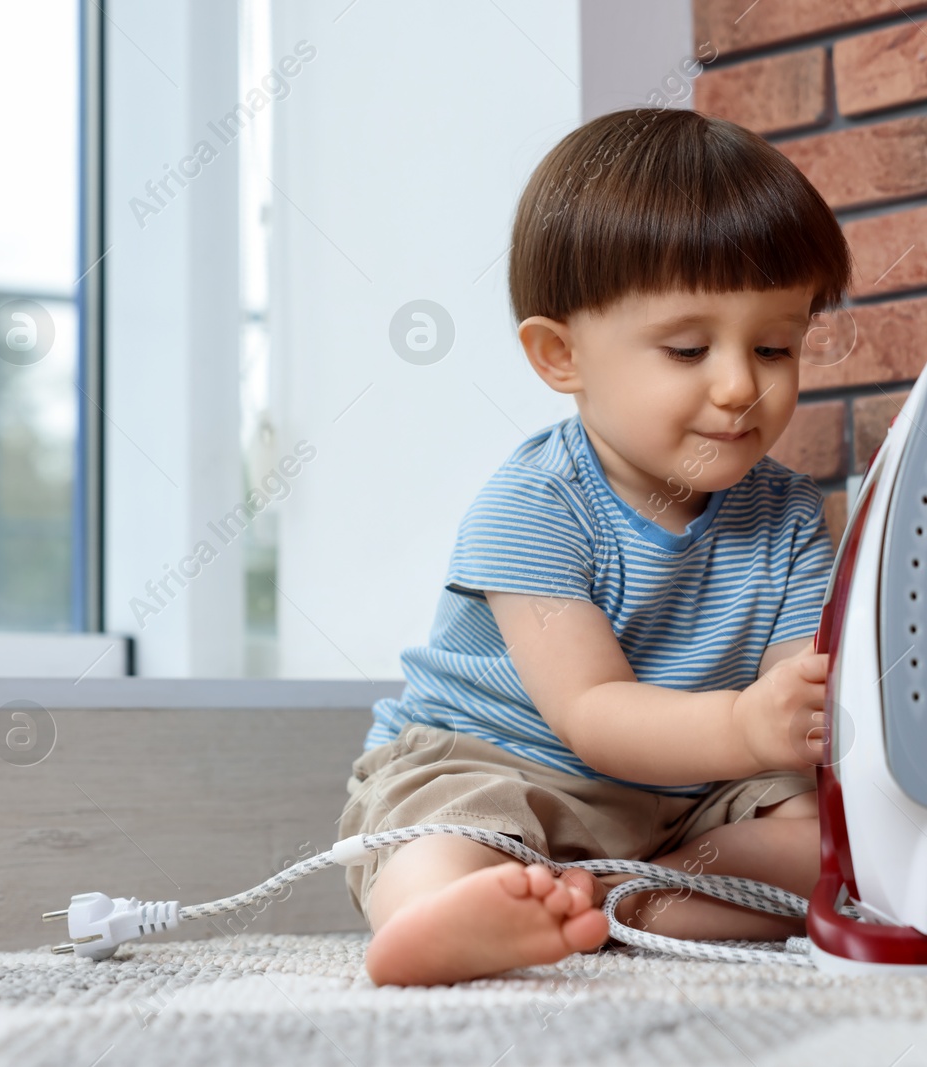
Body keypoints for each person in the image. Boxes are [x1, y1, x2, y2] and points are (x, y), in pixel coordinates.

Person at [338, 106, 853, 987]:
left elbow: (790, 696)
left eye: (775, 345)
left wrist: (805, 711)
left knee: (827, 843)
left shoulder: (794, 516)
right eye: (688, 348)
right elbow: (594, 715)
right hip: (508, 764)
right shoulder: (532, 504)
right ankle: (439, 912)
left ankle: (622, 901)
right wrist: (746, 723)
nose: (739, 385)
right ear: (560, 355)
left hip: (690, 801)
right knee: (446, 827)